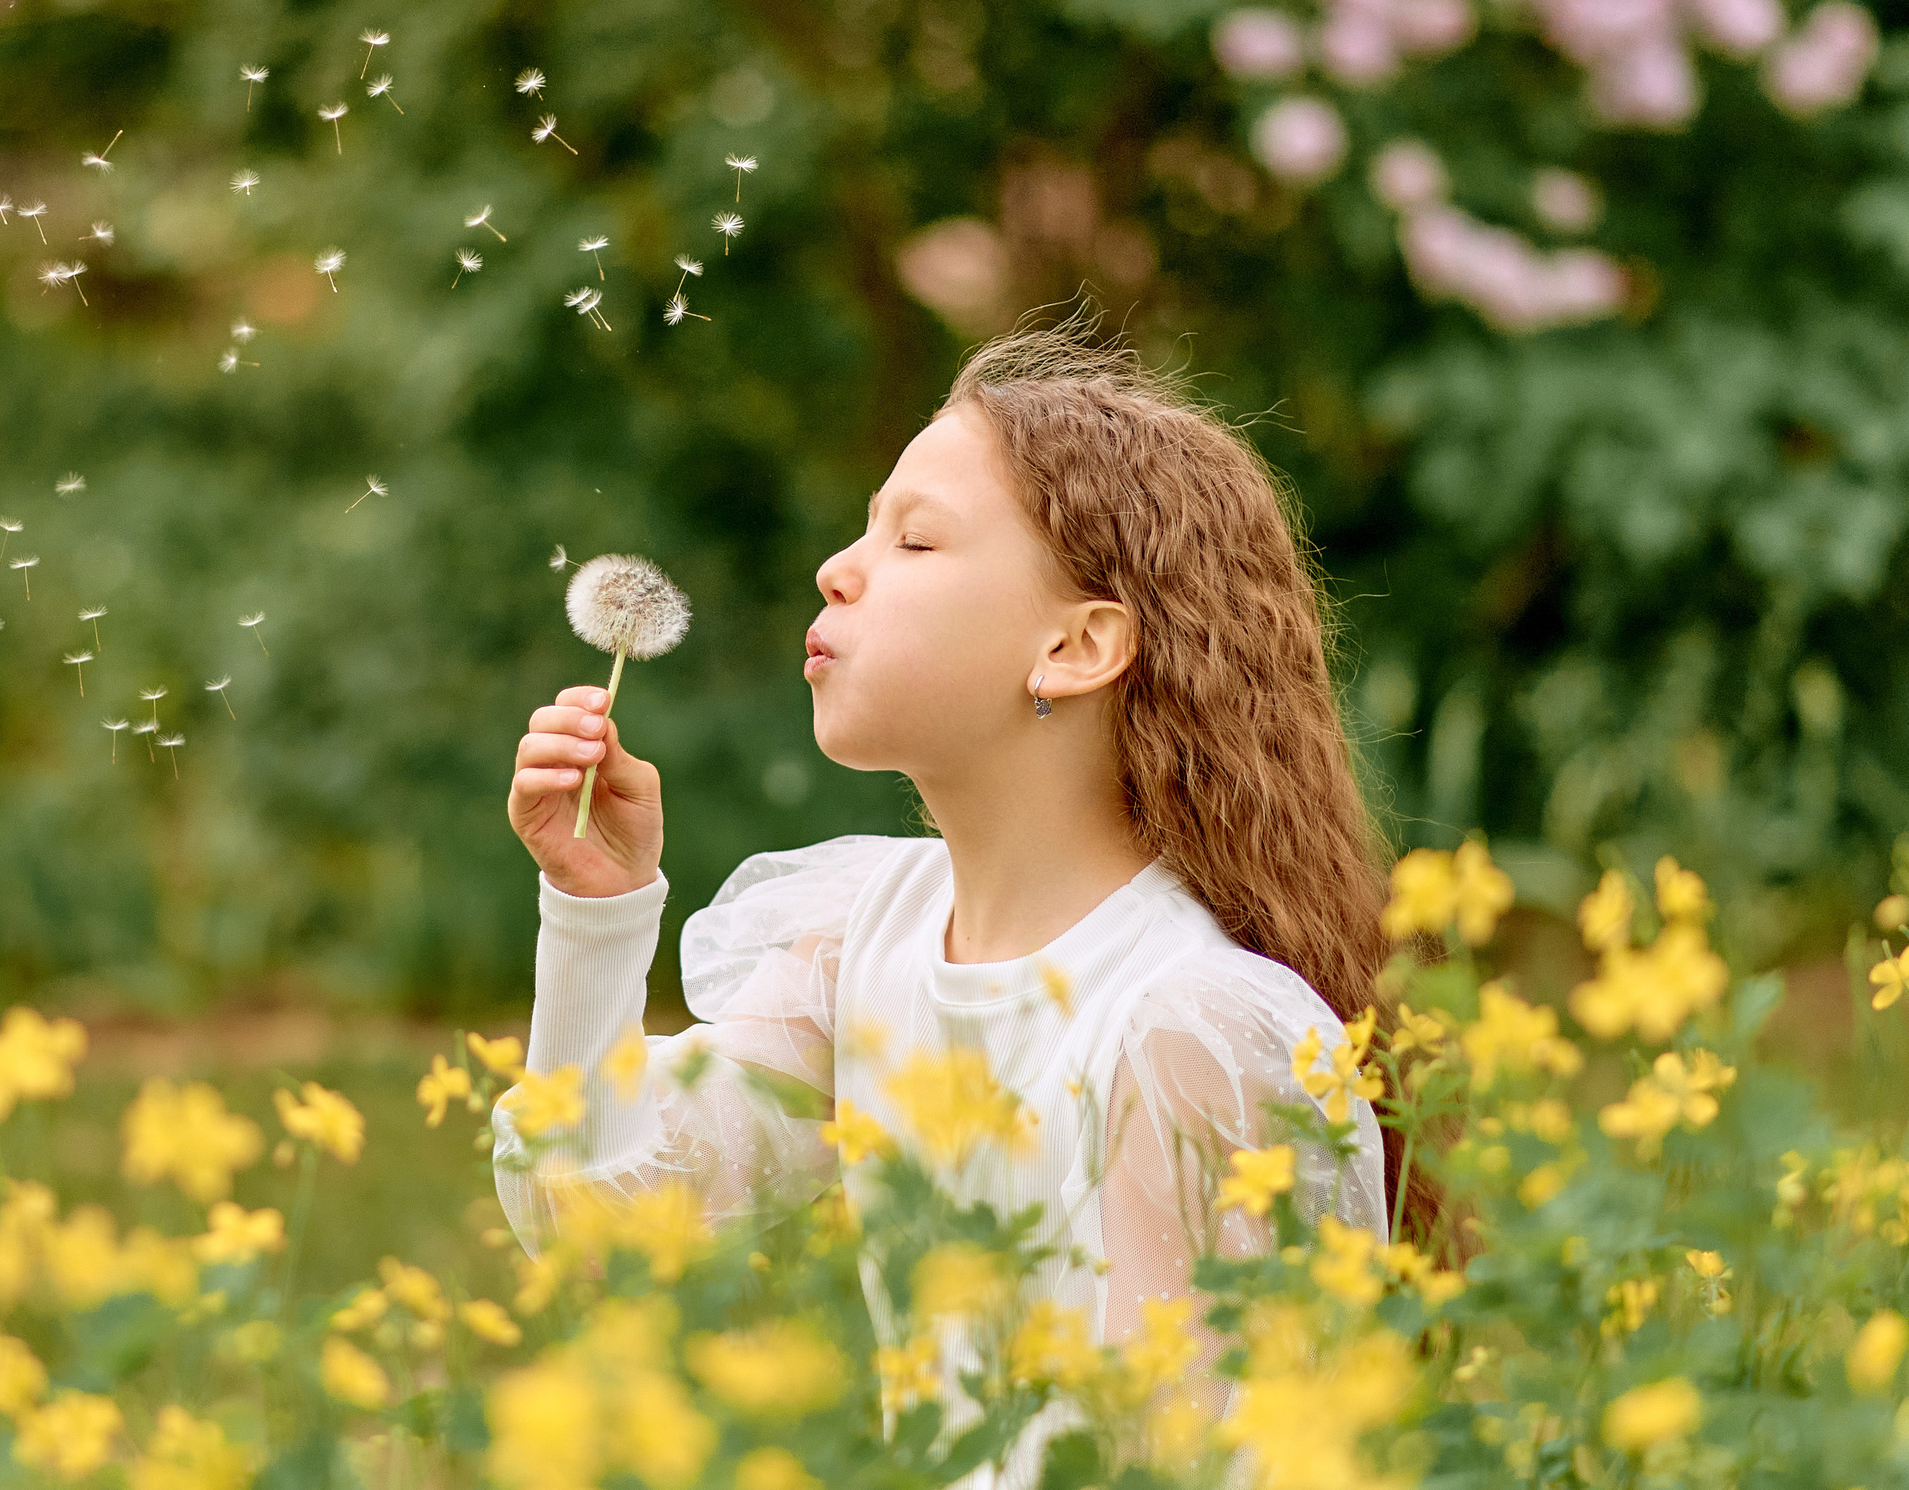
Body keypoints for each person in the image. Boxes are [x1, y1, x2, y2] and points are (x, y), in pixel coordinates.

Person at [496, 321, 1407, 1420]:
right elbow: (601, 1233)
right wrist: (594, 916)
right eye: (865, 530)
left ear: (1075, 648)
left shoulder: (1184, 1029)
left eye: (915, 542)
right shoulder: (866, 943)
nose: (836, 571)